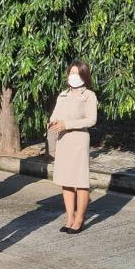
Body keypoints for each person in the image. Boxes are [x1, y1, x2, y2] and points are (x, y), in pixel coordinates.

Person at [48, 60, 98, 235]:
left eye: (77, 73)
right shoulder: (63, 94)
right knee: (66, 180)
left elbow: (91, 119)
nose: (73, 76)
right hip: (63, 140)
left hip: (78, 140)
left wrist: (67, 124)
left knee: (80, 180)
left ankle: (79, 219)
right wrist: (52, 122)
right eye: (71, 72)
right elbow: (55, 115)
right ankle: (69, 217)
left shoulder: (89, 95)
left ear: (84, 75)